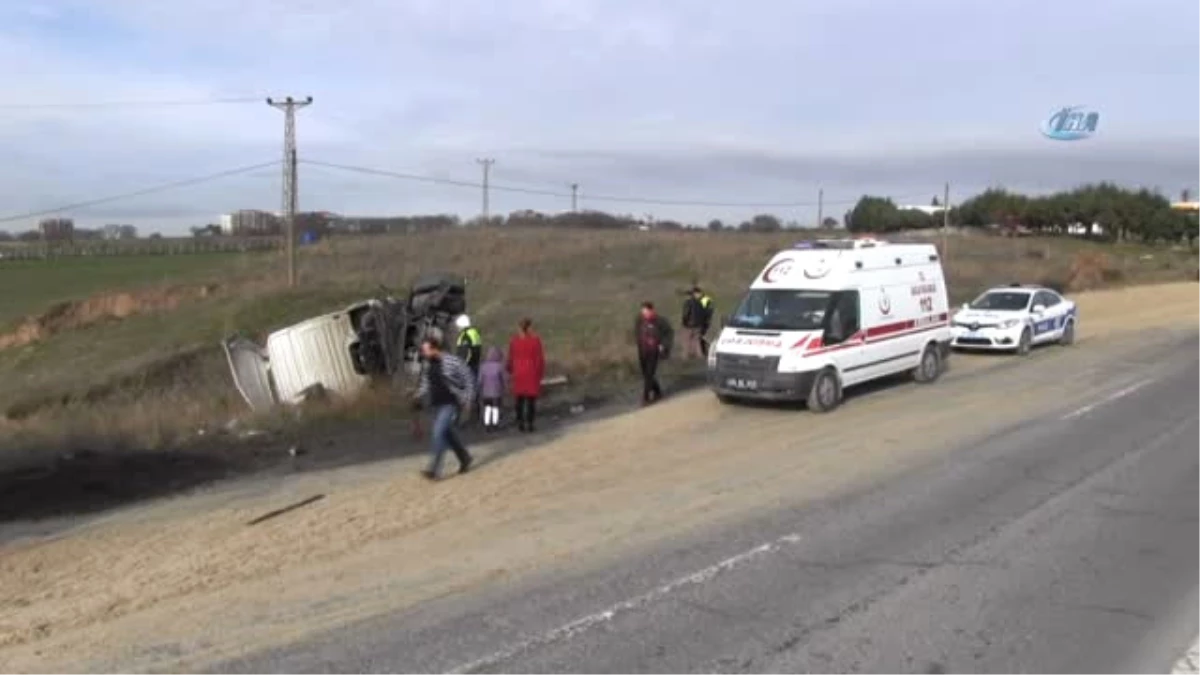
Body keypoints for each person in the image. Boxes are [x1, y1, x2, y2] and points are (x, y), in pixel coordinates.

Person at [411, 336, 475, 480]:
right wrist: (417, 396)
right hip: (436, 404)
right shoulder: (429, 364)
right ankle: (464, 457)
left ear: (434, 348)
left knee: (438, 432)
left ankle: (433, 469)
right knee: (446, 434)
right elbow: (426, 383)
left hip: (451, 402)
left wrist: (468, 399)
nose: (423, 352)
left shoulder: (452, 361)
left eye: (425, 349)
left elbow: (468, 378)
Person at [506, 317, 545, 433]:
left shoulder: (514, 341)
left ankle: (520, 422)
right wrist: (540, 373)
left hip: (519, 372)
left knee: (519, 400)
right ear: (529, 327)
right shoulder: (535, 341)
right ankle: (530, 423)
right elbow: (539, 359)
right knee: (531, 401)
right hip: (531, 372)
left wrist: (509, 369)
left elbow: (510, 358)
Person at [633, 301, 674, 405]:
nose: (644, 313)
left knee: (649, 374)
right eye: (643, 311)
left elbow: (669, 333)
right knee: (646, 374)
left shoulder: (660, 321)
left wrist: (663, 345)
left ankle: (645, 398)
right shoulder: (639, 320)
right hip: (643, 350)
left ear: (651, 310)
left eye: (646, 311)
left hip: (654, 351)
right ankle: (657, 391)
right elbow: (637, 331)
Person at [477, 346, 509, 432]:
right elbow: (504, 379)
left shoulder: (483, 366)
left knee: (487, 408)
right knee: (495, 408)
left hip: (485, 392)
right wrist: (505, 388)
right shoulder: (499, 366)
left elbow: (480, 380)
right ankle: (495, 424)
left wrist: (479, 389)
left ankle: (487, 424)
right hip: (496, 392)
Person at [681, 286, 715, 358]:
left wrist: (684, 322)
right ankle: (699, 355)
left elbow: (686, 314)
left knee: (687, 340)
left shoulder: (691, 302)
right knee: (697, 340)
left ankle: (686, 356)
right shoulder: (703, 301)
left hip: (690, 324)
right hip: (700, 324)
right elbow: (708, 312)